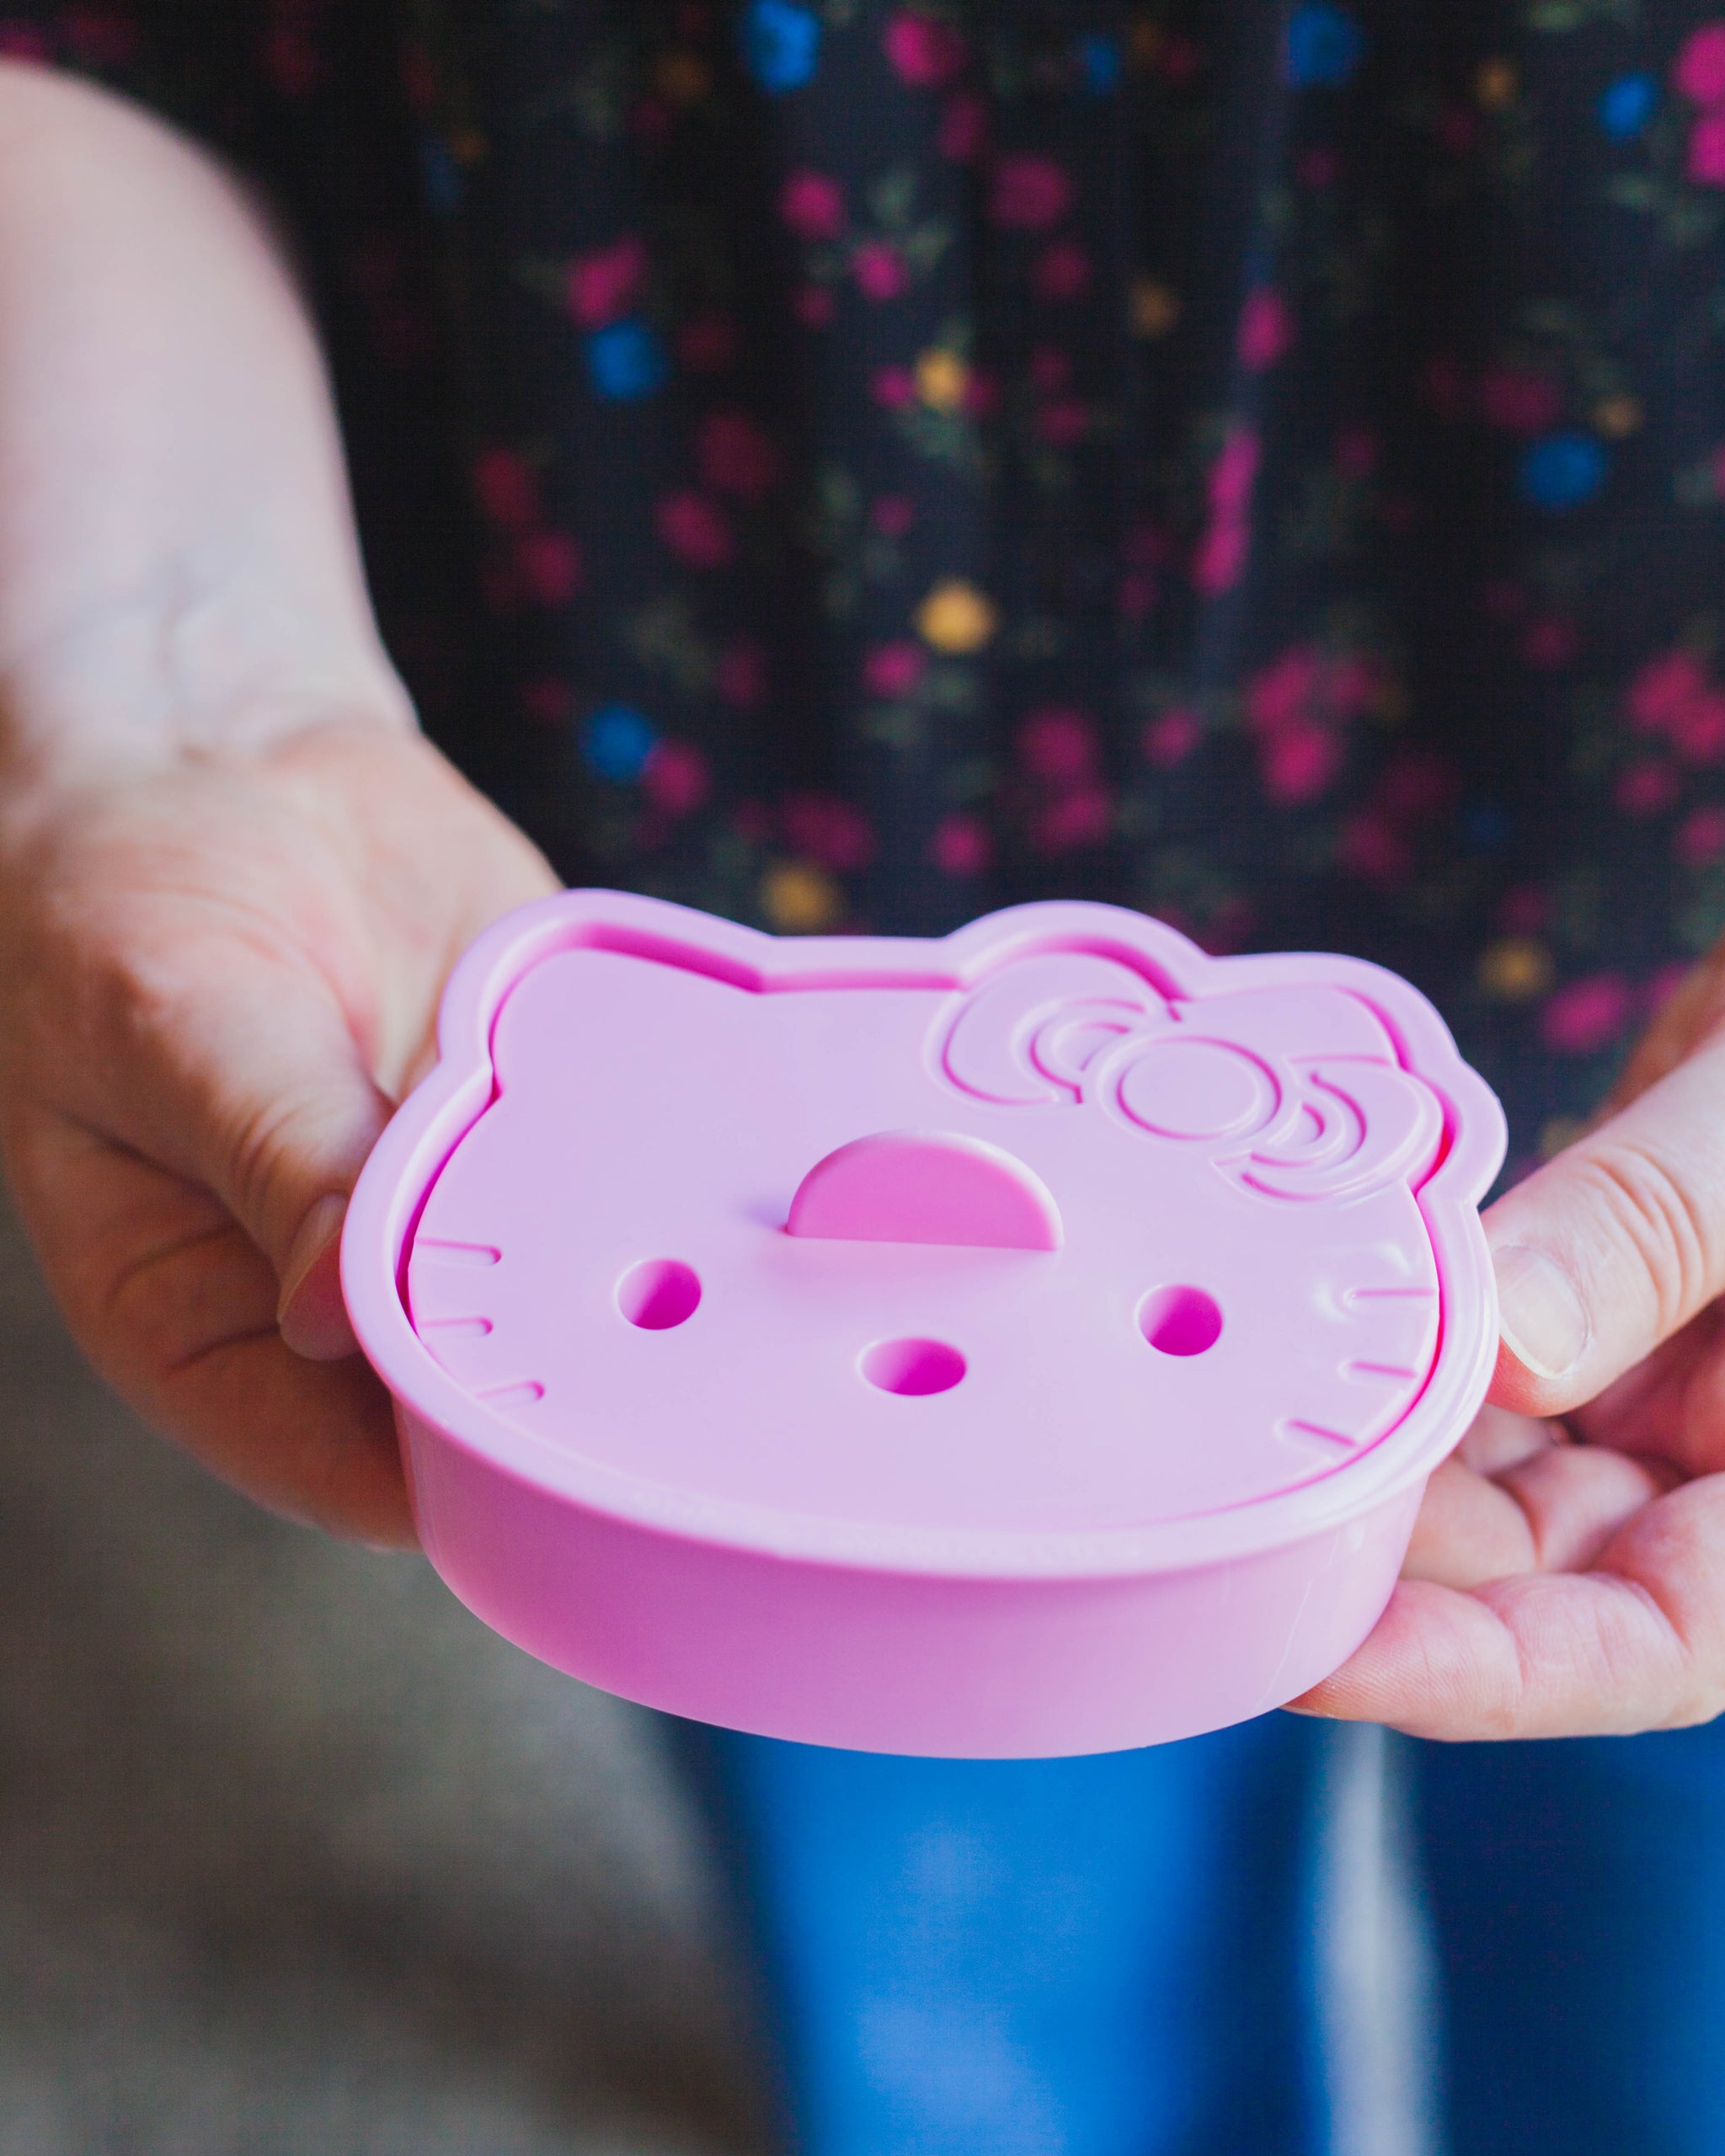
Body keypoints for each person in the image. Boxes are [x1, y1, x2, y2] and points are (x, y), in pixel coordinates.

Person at [3, 4, 1725, 2148]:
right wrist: (166, 689)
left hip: (1660, 990)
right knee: (983, 1986)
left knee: (1683, 1961)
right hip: (657, 975)